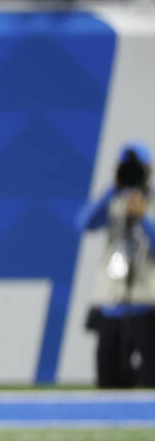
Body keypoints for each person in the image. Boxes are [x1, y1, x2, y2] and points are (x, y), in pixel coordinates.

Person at [78, 143, 155, 388]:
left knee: (149, 382)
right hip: (111, 306)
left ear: (149, 170)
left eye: (136, 168)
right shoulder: (113, 202)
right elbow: (84, 223)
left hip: (147, 307)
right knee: (108, 382)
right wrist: (113, 188)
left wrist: (144, 218)